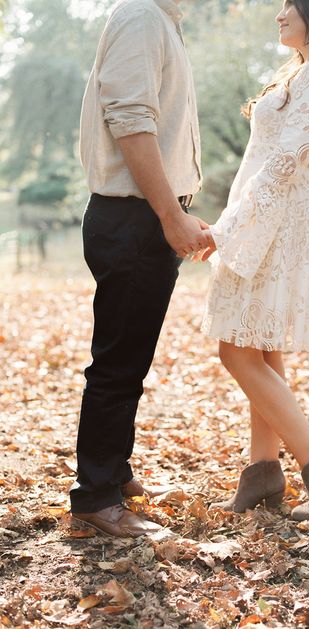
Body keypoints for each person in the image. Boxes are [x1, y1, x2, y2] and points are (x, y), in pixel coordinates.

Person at [197, 0, 309, 519]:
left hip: (277, 221)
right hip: (272, 216)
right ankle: (262, 475)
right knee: (261, 346)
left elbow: (283, 162)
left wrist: (229, 228)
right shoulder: (308, 70)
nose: (278, 15)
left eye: (288, 6)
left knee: (237, 351)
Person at [70, 0, 212, 537]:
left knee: (130, 360)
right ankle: (95, 495)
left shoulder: (163, 22)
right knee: (117, 363)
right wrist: (168, 213)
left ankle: (113, 471)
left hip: (143, 215)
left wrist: (176, 205)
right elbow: (129, 121)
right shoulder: (141, 16)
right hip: (130, 219)